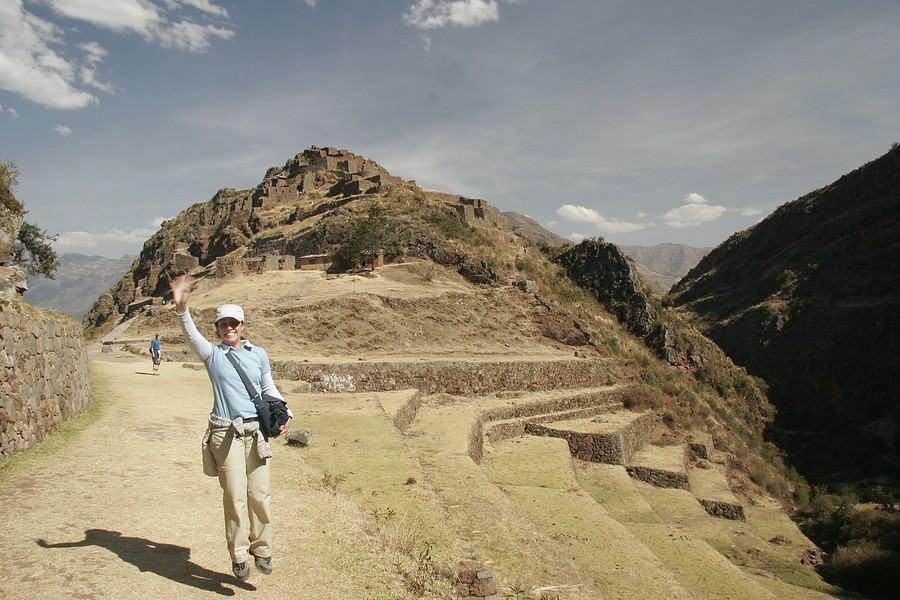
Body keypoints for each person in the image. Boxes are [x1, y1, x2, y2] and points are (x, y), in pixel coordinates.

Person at [168, 274, 292, 581]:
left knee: (260, 494)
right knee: (235, 497)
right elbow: (191, 335)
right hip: (227, 434)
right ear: (218, 328)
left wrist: (285, 410)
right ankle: (238, 555)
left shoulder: (258, 355)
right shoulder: (213, 356)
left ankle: (262, 548)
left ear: (242, 326)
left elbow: (268, 387)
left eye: (234, 323)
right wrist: (182, 307)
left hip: (256, 433)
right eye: (223, 324)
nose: (229, 329)